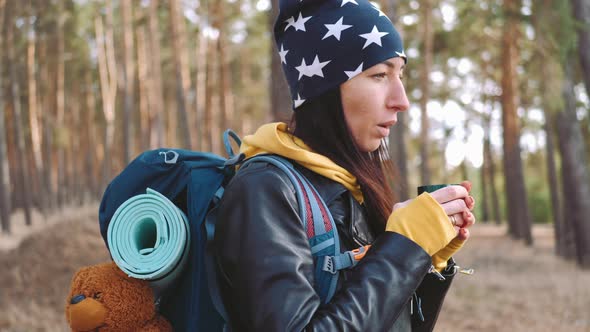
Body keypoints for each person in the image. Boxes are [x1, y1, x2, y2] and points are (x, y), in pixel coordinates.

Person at [213, 0, 476, 330]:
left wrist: (427, 260)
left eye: (400, 74)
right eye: (379, 75)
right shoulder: (265, 190)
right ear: (323, 90)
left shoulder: (348, 186)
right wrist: (405, 249)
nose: (402, 100)